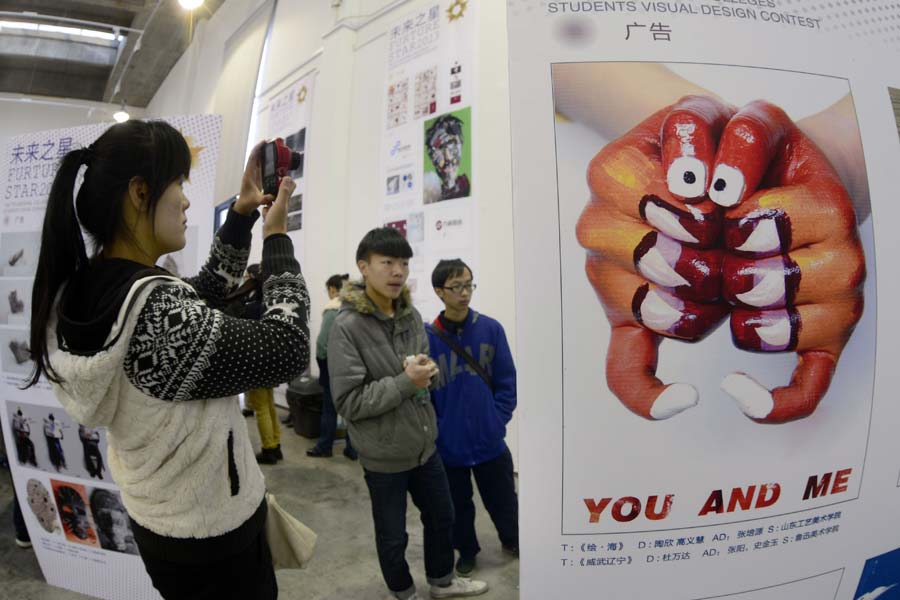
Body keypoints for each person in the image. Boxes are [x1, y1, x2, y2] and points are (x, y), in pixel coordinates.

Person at [26, 119, 310, 600]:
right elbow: (287, 348)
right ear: (140, 193)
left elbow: (200, 298)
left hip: (166, 522)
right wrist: (277, 239)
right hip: (213, 542)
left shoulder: (98, 288)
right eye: (178, 183)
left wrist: (241, 216)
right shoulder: (152, 313)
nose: (185, 199)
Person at [329, 227, 488, 600]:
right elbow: (349, 402)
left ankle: (442, 582)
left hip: (424, 445)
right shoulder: (346, 328)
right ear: (364, 267)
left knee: (442, 517)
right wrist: (406, 381)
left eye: (403, 263)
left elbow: (421, 374)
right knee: (392, 534)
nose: (398, 271)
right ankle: (403, 592)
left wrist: (424, 373)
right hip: (383, 455)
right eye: (387, 263)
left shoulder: (411, 315)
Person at [426, 259, 519, 576]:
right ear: (440, 291)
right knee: (457, 508)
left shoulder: (491, 329)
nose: (464, 293)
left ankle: (513, 539)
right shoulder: (427, 339)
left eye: (469, 284)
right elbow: (422, 396)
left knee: (503, 499)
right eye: (456, 287)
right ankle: (466, 551)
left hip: (489, 441)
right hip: (449, 446)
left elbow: (507, 381)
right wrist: (436, 431)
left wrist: (496, 420)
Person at [307, 273, 357, 459]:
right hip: (351, 364)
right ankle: (352, 449)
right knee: (352, 405)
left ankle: (325, 446)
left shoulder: (332, 309)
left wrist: (322, 362)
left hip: (332, 366)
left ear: (333, 289)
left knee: (329, 406)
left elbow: (322, 343)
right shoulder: (354, 308)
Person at [424, 114, 470, 203]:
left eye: (453, 146)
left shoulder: (463, 186)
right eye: (440, 148)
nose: (448, 157)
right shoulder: (429, 191)